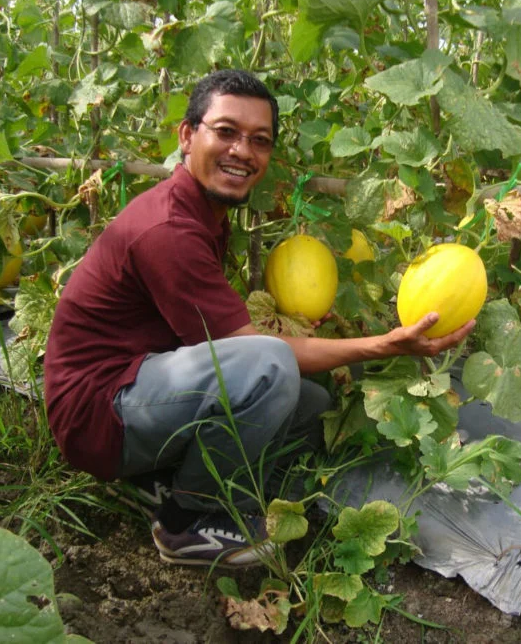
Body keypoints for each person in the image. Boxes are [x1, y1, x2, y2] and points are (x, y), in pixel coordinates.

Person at [43, 69, 474, 568]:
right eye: (225, 132)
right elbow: (254, 352)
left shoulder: (200, 211)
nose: (243, 152)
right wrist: (386, 344)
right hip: (97, 413)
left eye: (259, 140)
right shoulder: (167, 229)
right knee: (269, 368)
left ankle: (158, 481)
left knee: (310, 405)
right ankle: (187, 521)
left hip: (135, 387)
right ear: (187, 136)